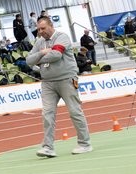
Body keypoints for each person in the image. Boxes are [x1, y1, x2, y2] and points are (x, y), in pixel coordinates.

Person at [26, 16, 91, 157]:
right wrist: (42, 52)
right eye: (38, 29)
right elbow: (28, 61)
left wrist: (38, 59)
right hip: (47, 82)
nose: (40, 31)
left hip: (66, 79)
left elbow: (56, 55)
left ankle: (84, 143)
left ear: (51, 25)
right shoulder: (39, 42)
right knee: (47, 114)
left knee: (75, 111)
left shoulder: (62, 37)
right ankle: (48, 147)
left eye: (43, 28)